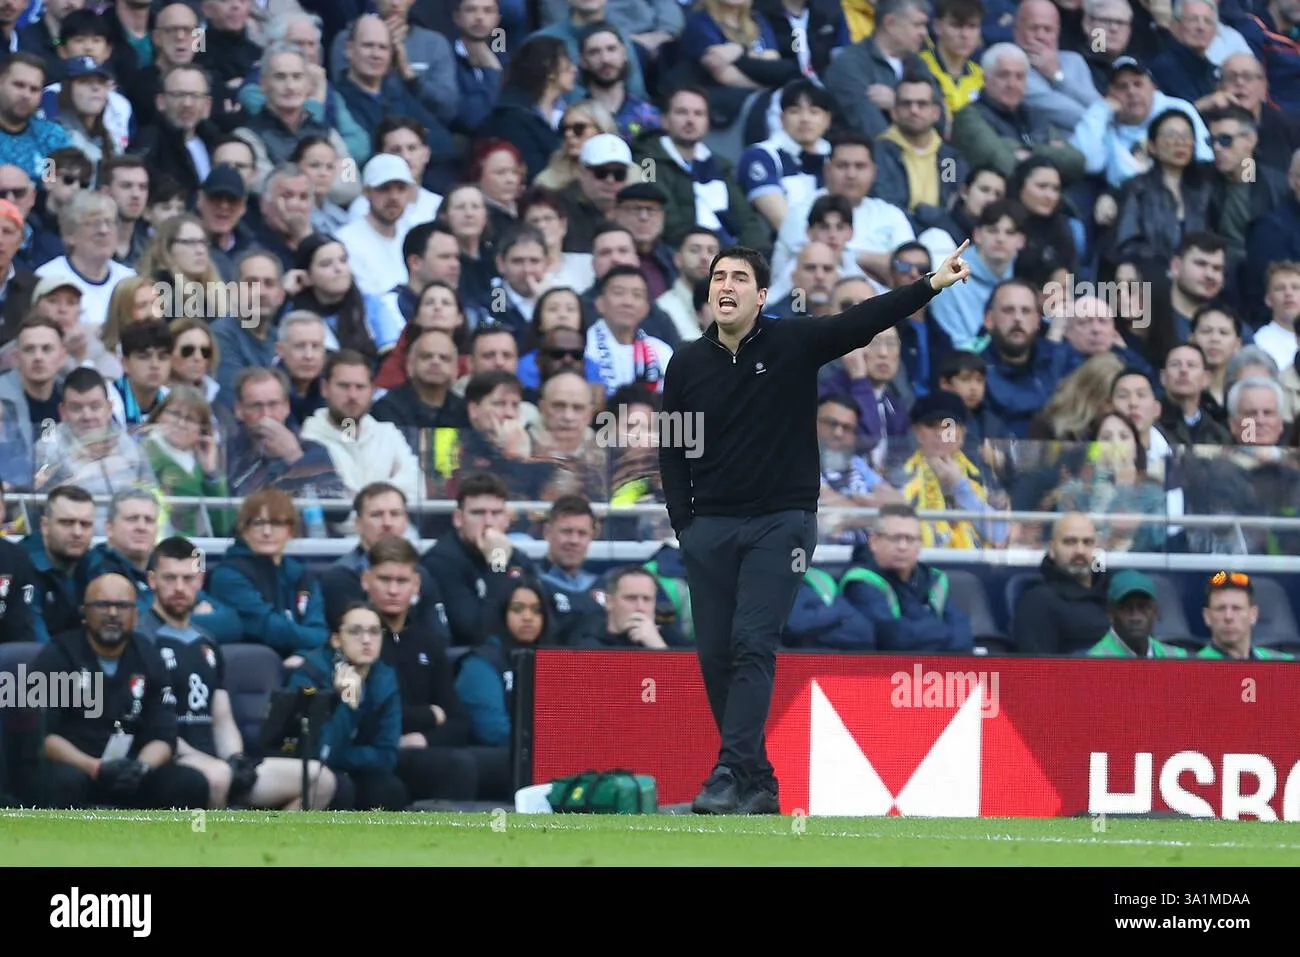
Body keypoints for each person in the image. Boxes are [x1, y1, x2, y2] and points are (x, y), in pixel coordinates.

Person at [660, 239, 972, 815]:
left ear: (760, 294)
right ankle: (757, 785)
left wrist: (929, 283)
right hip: (710, 530)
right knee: (713, 654)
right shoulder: (686, 362)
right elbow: (673, 451)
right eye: (717, 277)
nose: (725, 286)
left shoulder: (792, 341)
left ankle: (729, 772)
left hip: (781, 523)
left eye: (738, 279)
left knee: (752, 641)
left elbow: (862, 320)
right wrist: (687, 526)